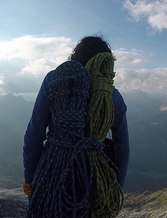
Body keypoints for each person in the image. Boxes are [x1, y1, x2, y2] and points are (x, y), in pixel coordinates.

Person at [22, 35, 129, 216]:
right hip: (92, 181)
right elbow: (123, 149)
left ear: (75, 57)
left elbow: (34, 134)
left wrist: (30, 178)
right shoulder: (113, 98)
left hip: (50, 173)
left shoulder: (53, 81)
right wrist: (114, 187)